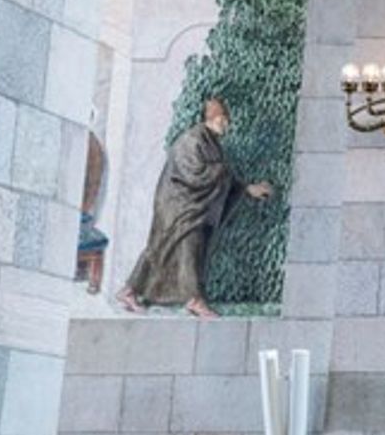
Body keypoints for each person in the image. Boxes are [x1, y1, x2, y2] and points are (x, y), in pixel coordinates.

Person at [115, 97, 273, 319]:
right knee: (185, 244)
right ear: (213, 119)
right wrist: (222, 171)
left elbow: (221, 178)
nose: (226, 125)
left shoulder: (210, 142)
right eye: (223, 120)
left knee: (164, 248)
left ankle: (129, 291)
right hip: (176, 204)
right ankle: (194, 300)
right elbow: (194, 173)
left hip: (189, 204)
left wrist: (247, 188)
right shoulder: (193, 139)